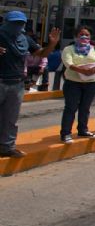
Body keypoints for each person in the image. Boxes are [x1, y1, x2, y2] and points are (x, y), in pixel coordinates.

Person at [0, 12, 60, 158]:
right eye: (14, 23)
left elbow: (42, 54)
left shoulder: (24, 39)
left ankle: (7, 146)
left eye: (20, 23)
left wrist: (52, 43)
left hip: (17, 83)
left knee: (10, 118)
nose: (17, 26)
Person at [60, 26, 95, 143]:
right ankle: (66, 133)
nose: (84, 37)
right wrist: (82, 71)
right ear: (76, 36)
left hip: (91, 83)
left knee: (85, 108)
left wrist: (93, 70)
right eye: (81, 34)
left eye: (87, 35)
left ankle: (83, 130)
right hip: (73, 83)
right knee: (70, 108)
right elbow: (68, 63)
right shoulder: (68, 49)